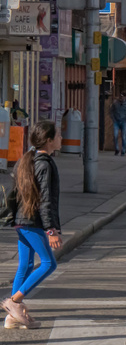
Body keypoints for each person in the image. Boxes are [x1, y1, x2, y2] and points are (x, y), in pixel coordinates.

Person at [3, 122, 61, 329]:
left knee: (26, 265)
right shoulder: (44, 164)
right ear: (49, 140)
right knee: (48, 263)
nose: (61, 138)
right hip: (32, 221)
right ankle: (15, 301)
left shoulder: (26, 160)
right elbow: (46, 200)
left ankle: (12, 317)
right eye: (58, 135)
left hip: (21, 221)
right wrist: (51, 230)